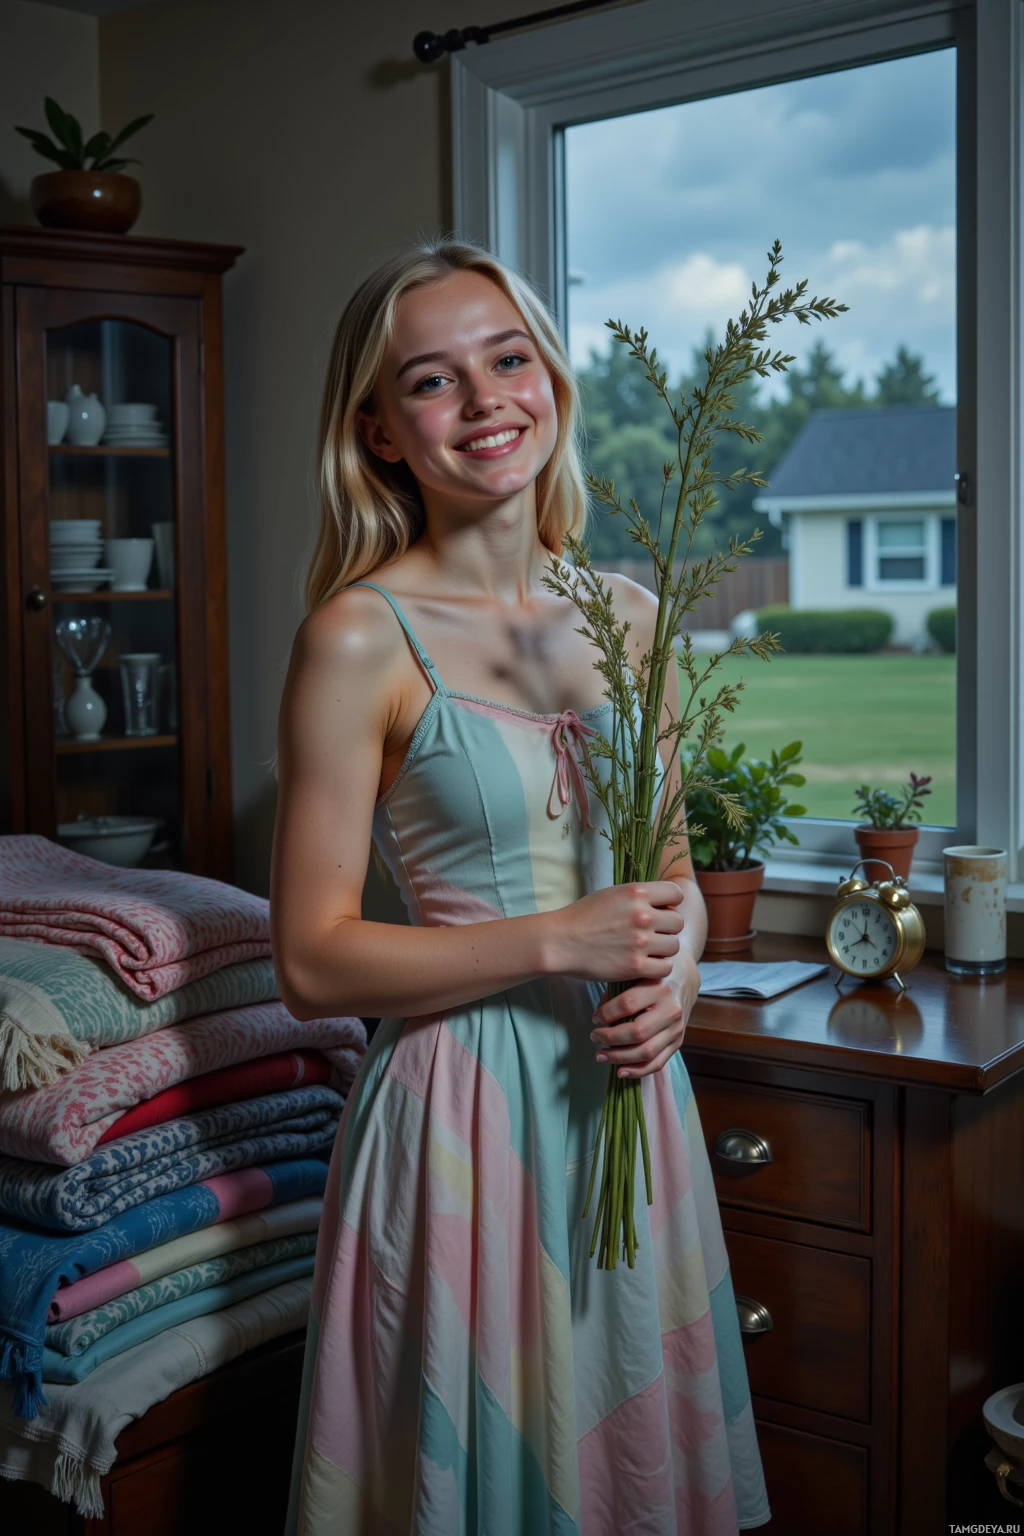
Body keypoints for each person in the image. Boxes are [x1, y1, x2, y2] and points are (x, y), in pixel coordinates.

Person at [272, 236, 770, 1534]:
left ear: (549, 377)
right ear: (380, 432)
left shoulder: (630, 613)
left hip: (626, 1103)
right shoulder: (356, 635)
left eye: (508, 358)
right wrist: (564, 940)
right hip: (460, 1120)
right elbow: (314, 960)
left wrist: (678, 967)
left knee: (627, 1476)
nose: (487, 399)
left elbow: (667, 869)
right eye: (433, 382)